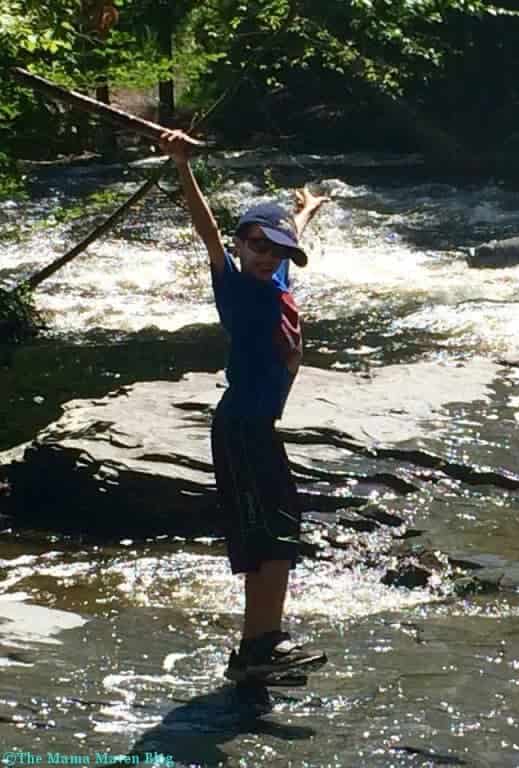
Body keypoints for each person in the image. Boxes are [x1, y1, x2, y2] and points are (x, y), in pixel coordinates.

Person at [160, 129, 328, 685]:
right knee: (269, 534)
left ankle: (262, 643)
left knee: (280, 529)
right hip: (240, 428)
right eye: (257, 246)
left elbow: (285, 241)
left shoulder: (274, 276)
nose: (266, 258)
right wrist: (182, 164)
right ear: (240, 244)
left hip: (259, 427)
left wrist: (303, 213)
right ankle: (258, 650)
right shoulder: (235, 288)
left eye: (276, 251)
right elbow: (206, 230)